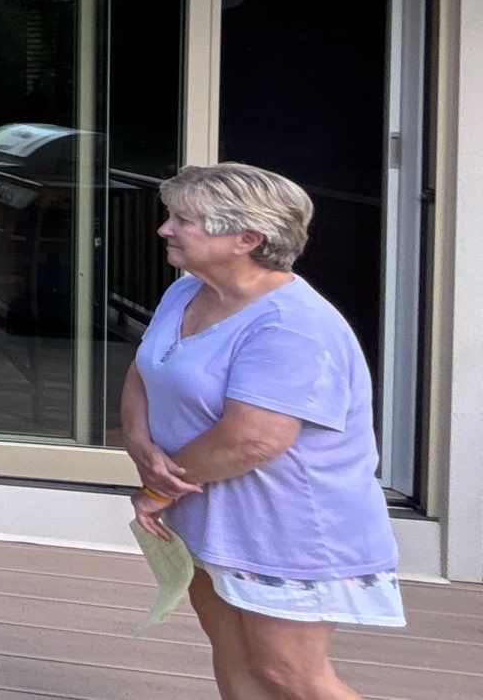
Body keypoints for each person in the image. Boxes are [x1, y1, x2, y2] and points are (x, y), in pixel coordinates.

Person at [120, 163, 401, 699]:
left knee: (288, 676)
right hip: (206, 511)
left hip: (287, 529)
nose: (165, 230)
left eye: (184, 220)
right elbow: (145, 368)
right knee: (237, 663)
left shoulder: (291, 325)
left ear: (247, 239)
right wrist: (140, 444)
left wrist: (157, 488)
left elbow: (253, 438)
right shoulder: (185, 294)